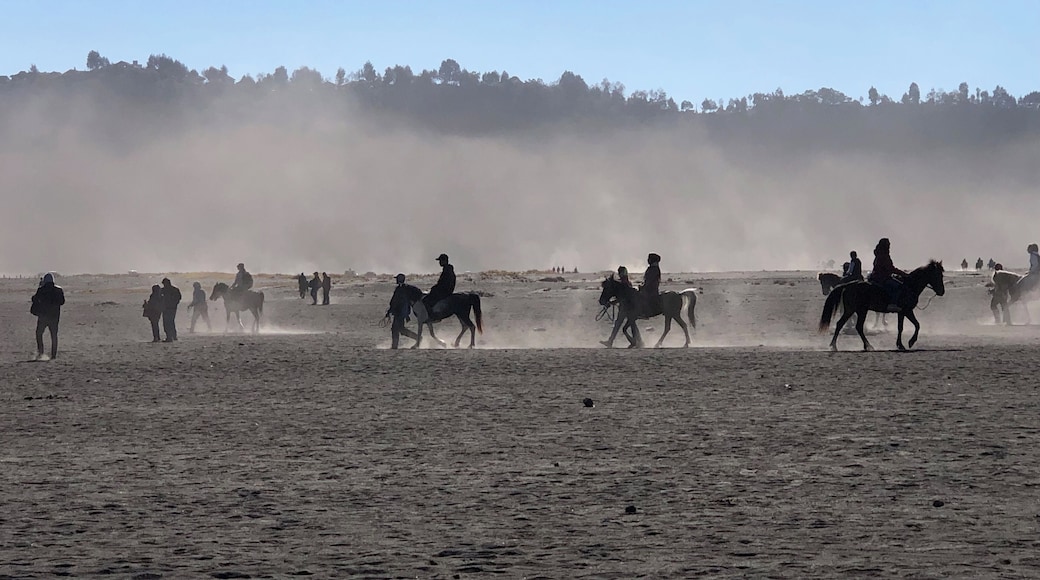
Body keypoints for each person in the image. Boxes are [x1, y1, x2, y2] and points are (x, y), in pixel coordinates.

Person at [866, 238, 908, 311]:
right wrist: (904, 274)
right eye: (888, 244)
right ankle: (893, 304)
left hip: (875, 276)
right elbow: (891, 268)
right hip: (882, 278)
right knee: (898, 286)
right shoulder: (884, 255)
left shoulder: (878, 254)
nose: (889, 246)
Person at [31, 273, 65, 359]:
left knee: (39, 334)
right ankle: (53, 355)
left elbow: (35, 299)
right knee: (54, 336)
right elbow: (62, 302)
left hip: (43, 316)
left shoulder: (41, 290)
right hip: (54, 317)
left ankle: (41, 352)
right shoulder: (59, 290)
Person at [385, 273, 423, 349]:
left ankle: (395, 346)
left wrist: (392, 311)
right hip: (400, 312)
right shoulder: (401, 289)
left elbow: (397, 302)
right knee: (400, 329)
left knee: (396, 329)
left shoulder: (400, 290)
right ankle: (417, 338)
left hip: (400, 313)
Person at [160, 278, 181, 342]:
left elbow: (178, 298)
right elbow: (179, 298)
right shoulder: (173, 289)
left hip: (169, 308)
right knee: (170, 322)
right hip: (168, 308)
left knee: (167, 322)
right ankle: (173, 336)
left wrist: (173, 303)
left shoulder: (169, 290)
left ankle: (169, 337)